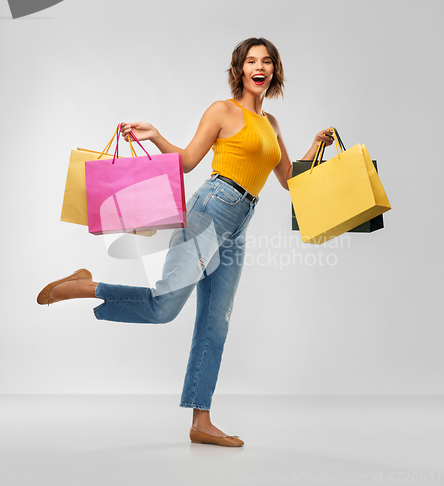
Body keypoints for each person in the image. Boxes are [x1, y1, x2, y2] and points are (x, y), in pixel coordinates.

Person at [37, 38, 334, 447]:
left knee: (216, 323)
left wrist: (316, 147)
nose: (259, 67)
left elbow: (287, 180)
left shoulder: (272, 124)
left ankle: (201, 422)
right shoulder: (223, 111)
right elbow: (189, 160)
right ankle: (86, 285)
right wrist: (157, 136)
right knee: (165, 308)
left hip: (240, 221)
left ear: (274, 70)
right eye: (251, 61)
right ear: (240, 70)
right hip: (211, 210)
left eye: (267, 61)